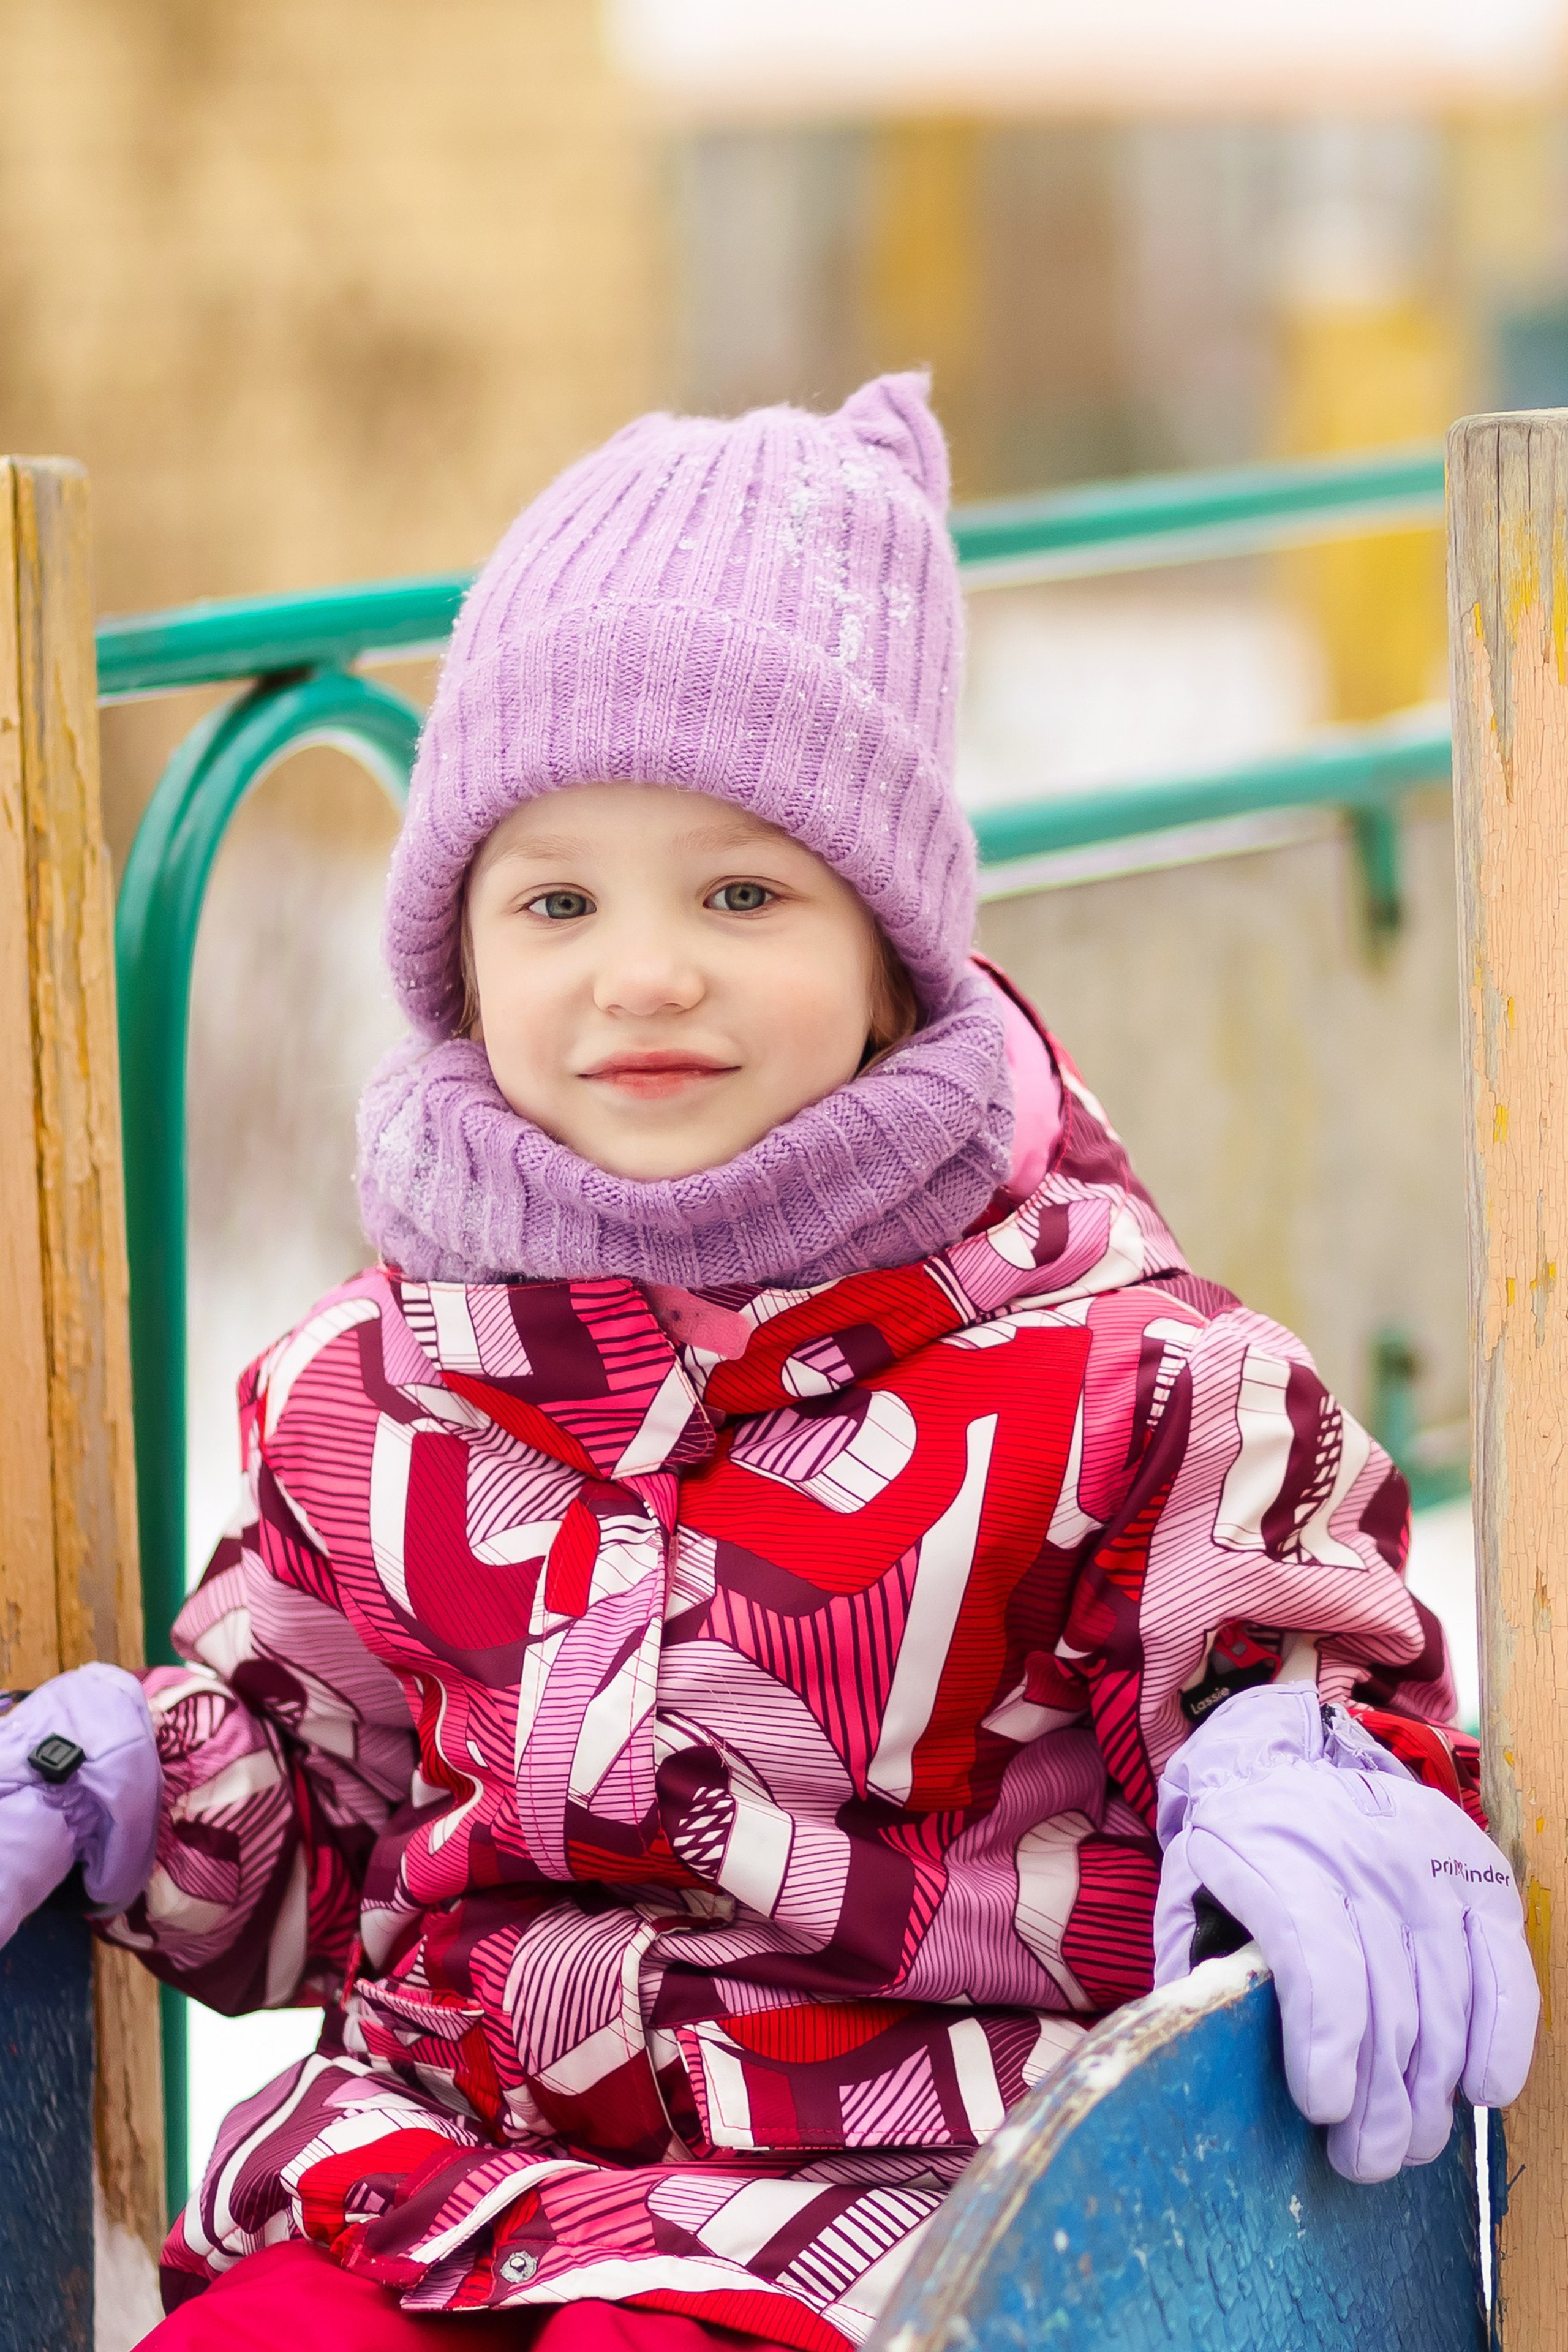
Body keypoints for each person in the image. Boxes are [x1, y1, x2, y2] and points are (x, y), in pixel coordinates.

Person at [0, 374, 1536, 2350]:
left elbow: (1275, 1644)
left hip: (899, 2206)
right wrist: (140, 1780)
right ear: (460, 953)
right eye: (558, 899)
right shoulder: (373, 1396)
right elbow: (318, 1807)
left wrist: (1301, 1761)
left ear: (890, 954)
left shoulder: (1118, 1382)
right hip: (449, 2175)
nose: (646, 971)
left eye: (742, 891)